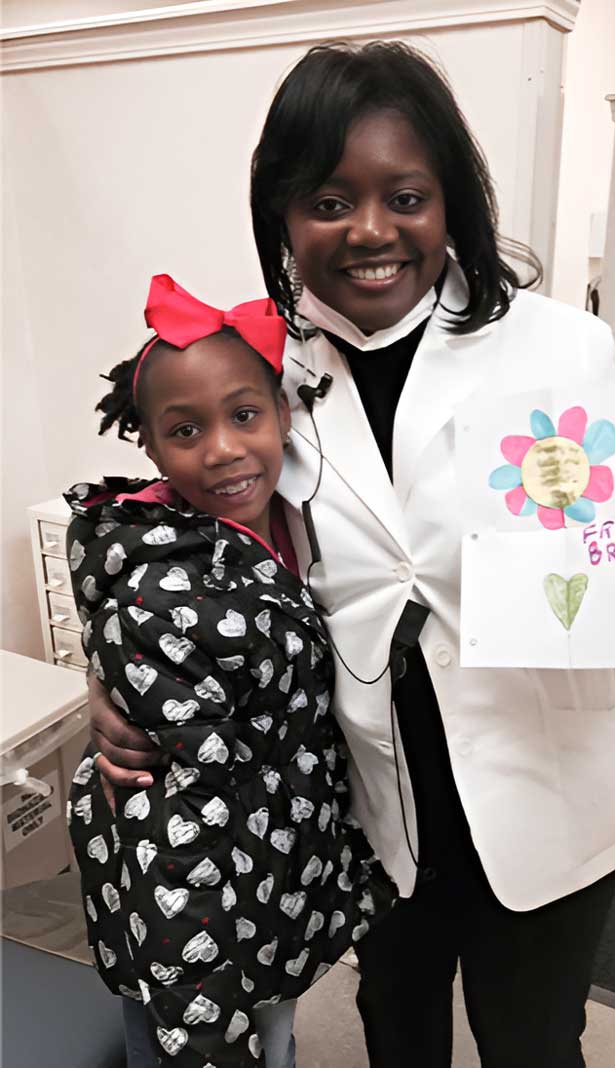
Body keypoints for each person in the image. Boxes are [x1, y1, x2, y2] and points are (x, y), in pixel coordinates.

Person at [88, 42, 615, 1067]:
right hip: (367, 794)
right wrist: (116, 681)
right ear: (282, 216)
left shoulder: (555, 346)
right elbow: (182, 542)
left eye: (405, 195)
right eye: (326, 199)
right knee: (395, 1022)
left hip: (551, 775)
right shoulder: (261, 377)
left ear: (451, 205)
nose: (368, 230)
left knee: (533, 1038)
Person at [65, 274, 395, 1067]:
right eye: (185, 430)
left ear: (283, 412)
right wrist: (203, 1015)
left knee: (275, 1024)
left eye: (244, 415)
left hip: (271, 864)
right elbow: (178, 828)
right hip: (198, 905)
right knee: (198, 1045)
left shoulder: (287, 522)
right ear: (147, 444)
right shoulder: (164, 594)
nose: (221, 450)